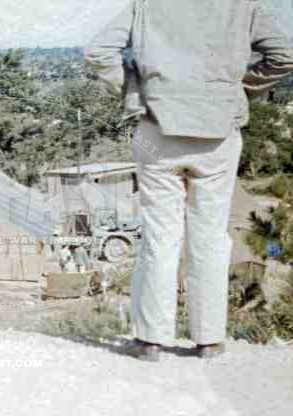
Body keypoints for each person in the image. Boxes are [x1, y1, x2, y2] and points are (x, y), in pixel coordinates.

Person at [84, 0, 293, 361]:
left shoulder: (146, 4)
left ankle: (151, 340)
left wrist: (135, 92)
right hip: (218, 134)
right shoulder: (243, 5)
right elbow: (285, 55)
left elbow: (98, 52)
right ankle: (209, 340)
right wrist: (239, 90)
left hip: (157, 131)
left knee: (159, 234)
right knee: (210, 237)